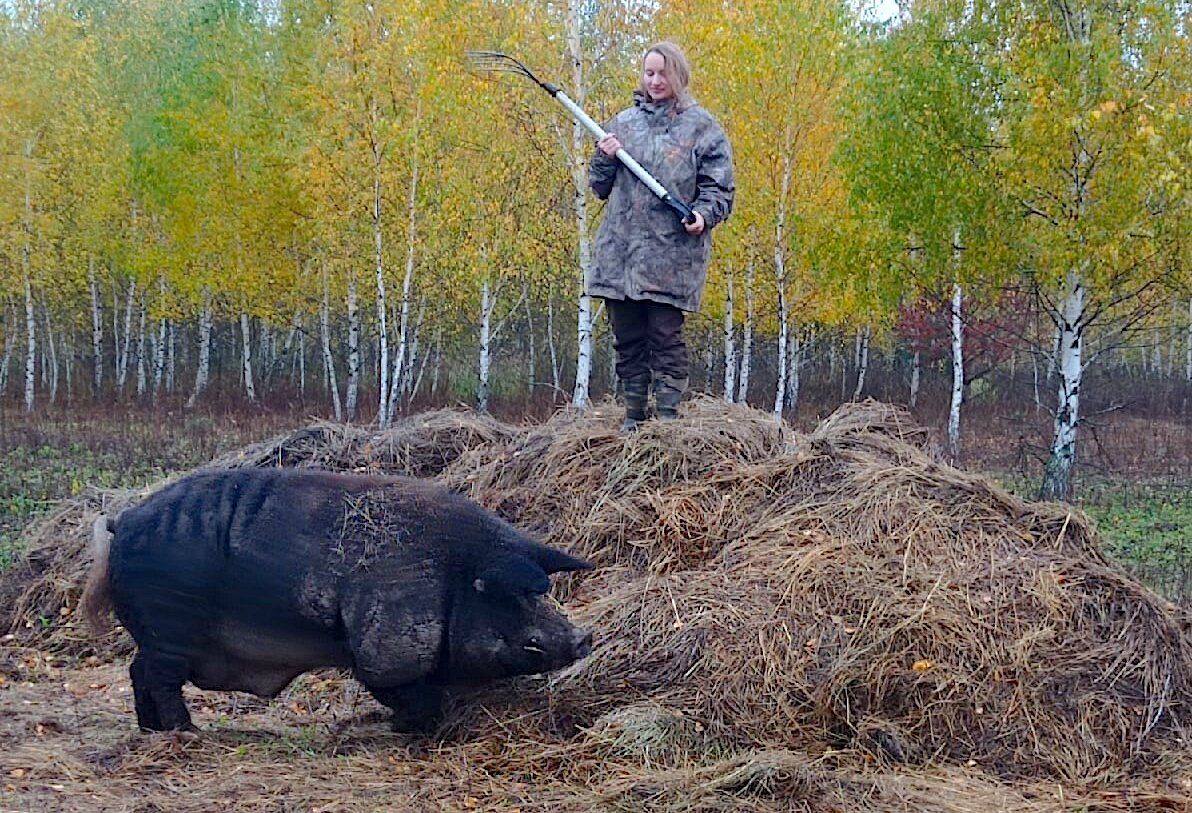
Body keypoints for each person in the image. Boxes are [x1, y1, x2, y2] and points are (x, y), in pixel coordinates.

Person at [588, 41, 735, 432]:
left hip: (671, 256)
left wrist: (702, 216)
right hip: (620, 255)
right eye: (649, 73)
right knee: (628, 338)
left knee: (664, 336)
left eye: (662, 73)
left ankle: (668, 421)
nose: (655, 81)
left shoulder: (702, 128)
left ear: (678, 75)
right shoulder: (622, 124)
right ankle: (634, 416)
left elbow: (719, 189)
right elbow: (599, 187)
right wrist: (604, 155)